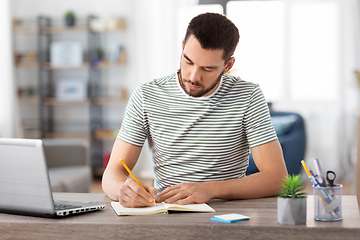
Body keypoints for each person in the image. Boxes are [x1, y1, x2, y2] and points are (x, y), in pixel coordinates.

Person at [102, 12, 288, 208]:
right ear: (182, 47)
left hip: (228, 215)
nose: (193, 76)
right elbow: (112, 173)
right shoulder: (146, 95)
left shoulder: (248, 96)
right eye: (188, 61)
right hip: (167, 214)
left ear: (228, 65)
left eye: (207, 69)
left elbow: (277, 177)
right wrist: (124, 190)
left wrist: (210, 189)